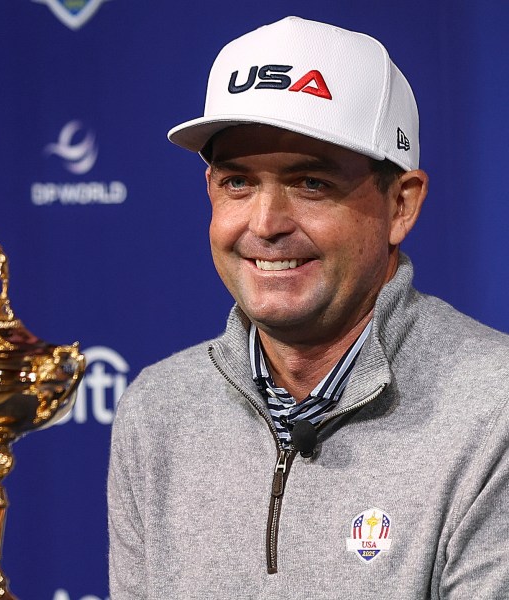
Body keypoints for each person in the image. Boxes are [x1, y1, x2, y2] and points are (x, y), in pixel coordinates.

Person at [108, 17, 509, 599]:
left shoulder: (495, 408)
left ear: (401, 205)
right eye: (237, 183)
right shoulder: (159, 409)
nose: (265, 224)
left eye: (311, 184)